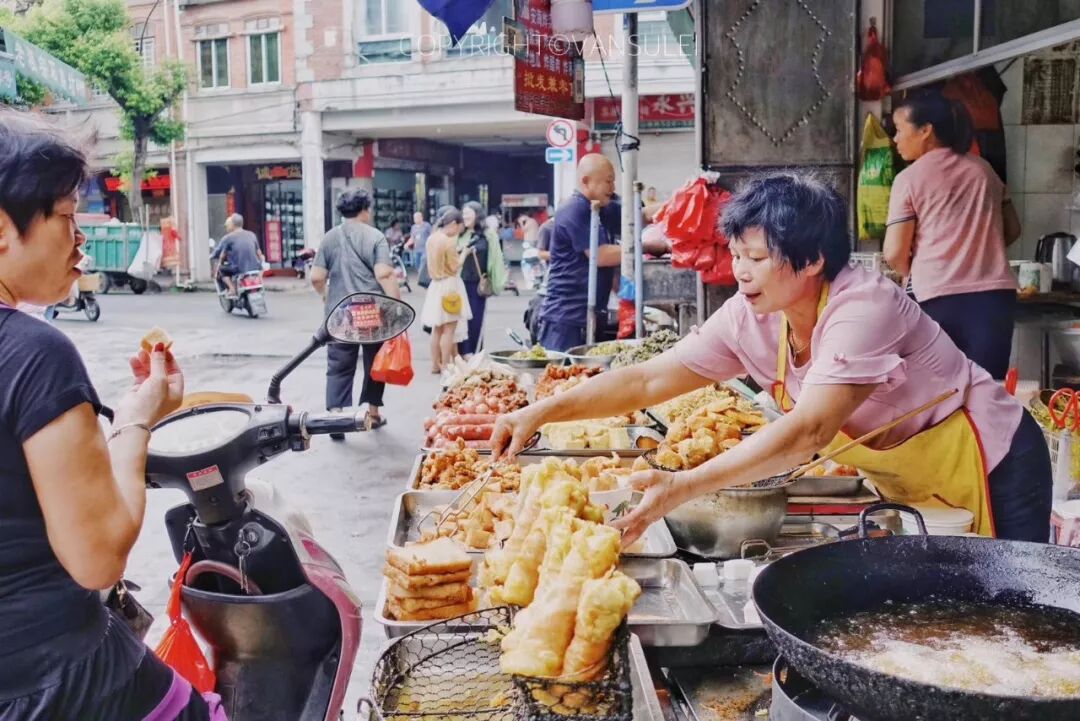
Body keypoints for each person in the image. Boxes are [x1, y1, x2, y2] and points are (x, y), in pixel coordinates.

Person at [493, 171, 1052, 545]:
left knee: (1006, 615)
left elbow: (809, 431)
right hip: (909, 476)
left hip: (992, 461)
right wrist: (538, 414)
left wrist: (684, 486)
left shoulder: (864, 307)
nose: (739, 271)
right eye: (736, 255)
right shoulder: (751, 313)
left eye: (756, 257)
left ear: (811, 260)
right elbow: (645, 381)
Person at [0, 111, 222, 719]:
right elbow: (97, 555)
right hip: (61, 680)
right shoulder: (33, 353)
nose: (83, 239)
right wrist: (137, 418)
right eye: (67, 217)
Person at [884, 94, 1022, 379]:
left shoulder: (909, 179)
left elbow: (894, 252)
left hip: (938, 297)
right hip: (994, 299)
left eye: (899, 129)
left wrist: (916, 272)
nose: (895, 139)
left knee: (939, 391)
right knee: (988, 389)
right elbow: (1012, 230)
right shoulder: (984, 170)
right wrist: (979, 250)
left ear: (926, 130)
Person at [311, 189, 401, 435]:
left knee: (339, 364)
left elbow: (317, 277)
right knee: (375, 363)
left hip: (340, 315)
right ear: (365, 210)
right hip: (373, 314)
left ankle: (336, 418)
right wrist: (397, 307)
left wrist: (326, 297)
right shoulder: (375, 236)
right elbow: (384, 273)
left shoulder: (330, 238)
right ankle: (373, 412)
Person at [537, 154, 621, 352]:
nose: (613, 188)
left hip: (590, 315)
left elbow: (638, 215)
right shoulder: (574, 209)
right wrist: (645, 247)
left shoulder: (601, 208)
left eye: (613, 181)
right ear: (586, 181)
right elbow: (600, 256)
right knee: (565, 378)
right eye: (608, 181)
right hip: (566, 320)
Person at [421, 207, 473, 373]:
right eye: (459, 227)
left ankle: (435, 365)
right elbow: (454, 266)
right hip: (449, 285)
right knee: (449, 329)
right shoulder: (448, 241)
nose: (458, 231)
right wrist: (464, 254)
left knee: (437, 329)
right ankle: (445, 366)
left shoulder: (431, 238)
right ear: (453, 224)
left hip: (435, 285)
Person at [458, 202, 505, 356]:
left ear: (477, 216)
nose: (465, 217)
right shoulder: (458, 234)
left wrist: (497, 282)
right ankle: (462, 352)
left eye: (469, 214)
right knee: (460, 319)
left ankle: (475, 351)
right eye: (463, 214)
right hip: (459, 283)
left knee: (476, 319)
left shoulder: (488, 234)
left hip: (477, 284)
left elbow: (496, 258)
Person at [211, 214, 264, 299]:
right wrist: (262, 263)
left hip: (238, 269)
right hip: (255, 267)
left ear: (232, 224)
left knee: (222, 270)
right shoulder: (252, 234)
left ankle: (232, 289)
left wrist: (219, 264)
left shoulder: (229, 237)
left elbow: (222, 255)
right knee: (260, 269)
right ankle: (260, 282)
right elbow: (259, 253)